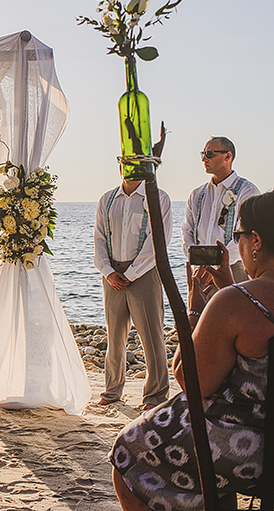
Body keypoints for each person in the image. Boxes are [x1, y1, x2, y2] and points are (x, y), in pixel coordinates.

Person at [111, 191, 274, 511]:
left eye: (238, 235)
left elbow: (193, 381)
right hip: (262, 434)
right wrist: (230, 289)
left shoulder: (238, 302)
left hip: (248, 445)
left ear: (255, 240)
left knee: (128, 452)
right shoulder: (237, 298)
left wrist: (198, 310)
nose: (238, 243)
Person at [94, 173, 172, 411]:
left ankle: (155, 396)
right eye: (123, 160)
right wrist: (107, 271)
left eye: (132, 161)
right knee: (114, 335)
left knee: (151, 335)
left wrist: (131, 273)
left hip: (144, 272)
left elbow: (158, 241)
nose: (127, 166)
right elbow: (99, 237)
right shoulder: (107, 199)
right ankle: (112, 390)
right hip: (112, 274)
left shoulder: (158, 197)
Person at [182, 136, 260, 285]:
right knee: (198, 309)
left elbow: (245, 237)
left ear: (228, 156)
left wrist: (215, 267)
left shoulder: (247, 191)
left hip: (235, 269)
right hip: (200, 272)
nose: (204, 159)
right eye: (202, 154)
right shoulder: (197, 194)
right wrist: (198, 264)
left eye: (209, 154)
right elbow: (187, 231)